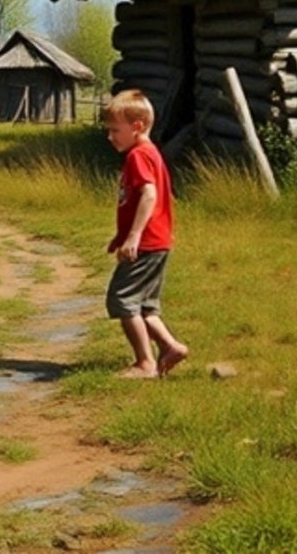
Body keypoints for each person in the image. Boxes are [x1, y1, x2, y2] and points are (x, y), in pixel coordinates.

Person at [103, 89, 188, 380]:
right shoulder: (151, 153)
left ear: (137, 126)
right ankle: (170, 346)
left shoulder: (138, 156)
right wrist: (122, 235)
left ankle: (145, 363)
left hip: (147, 243)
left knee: (122, 299)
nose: (110, 137)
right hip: (158, 241)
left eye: (115, 130)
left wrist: (133, 237)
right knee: (145, 304)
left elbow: (149, 196)